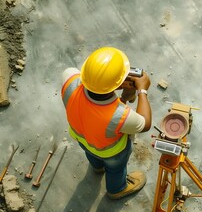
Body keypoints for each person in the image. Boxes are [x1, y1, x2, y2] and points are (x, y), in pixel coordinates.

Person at [61, 47, 152, 199]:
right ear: (116, 85)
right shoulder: (121, 115)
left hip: (83, 140)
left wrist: (114, 87)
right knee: (116, 169)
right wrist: (142, 91)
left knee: (92, 155)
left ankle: (97, 168)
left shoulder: (69, 79)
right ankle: (117, 190)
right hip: (112, 154)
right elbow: (145, 123)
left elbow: (94, 98)